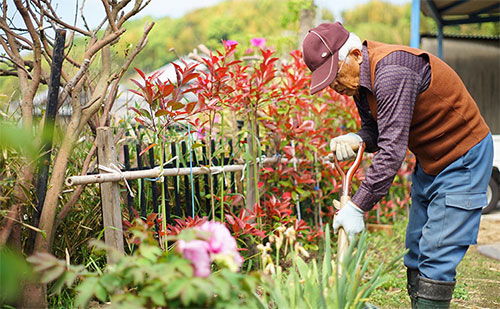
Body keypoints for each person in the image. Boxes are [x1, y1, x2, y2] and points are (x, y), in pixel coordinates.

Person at [302, 22, 493, 308]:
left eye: (335, 76)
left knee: (436, 253)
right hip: (430, 161)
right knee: (414, 249)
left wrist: (357, 206)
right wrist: (358, 137)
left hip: (463, 156)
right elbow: (379, 130)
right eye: (328, 82)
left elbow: (393, 149)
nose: (335, 86)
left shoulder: (393, 71)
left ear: (355, 54)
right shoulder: (361, 83)